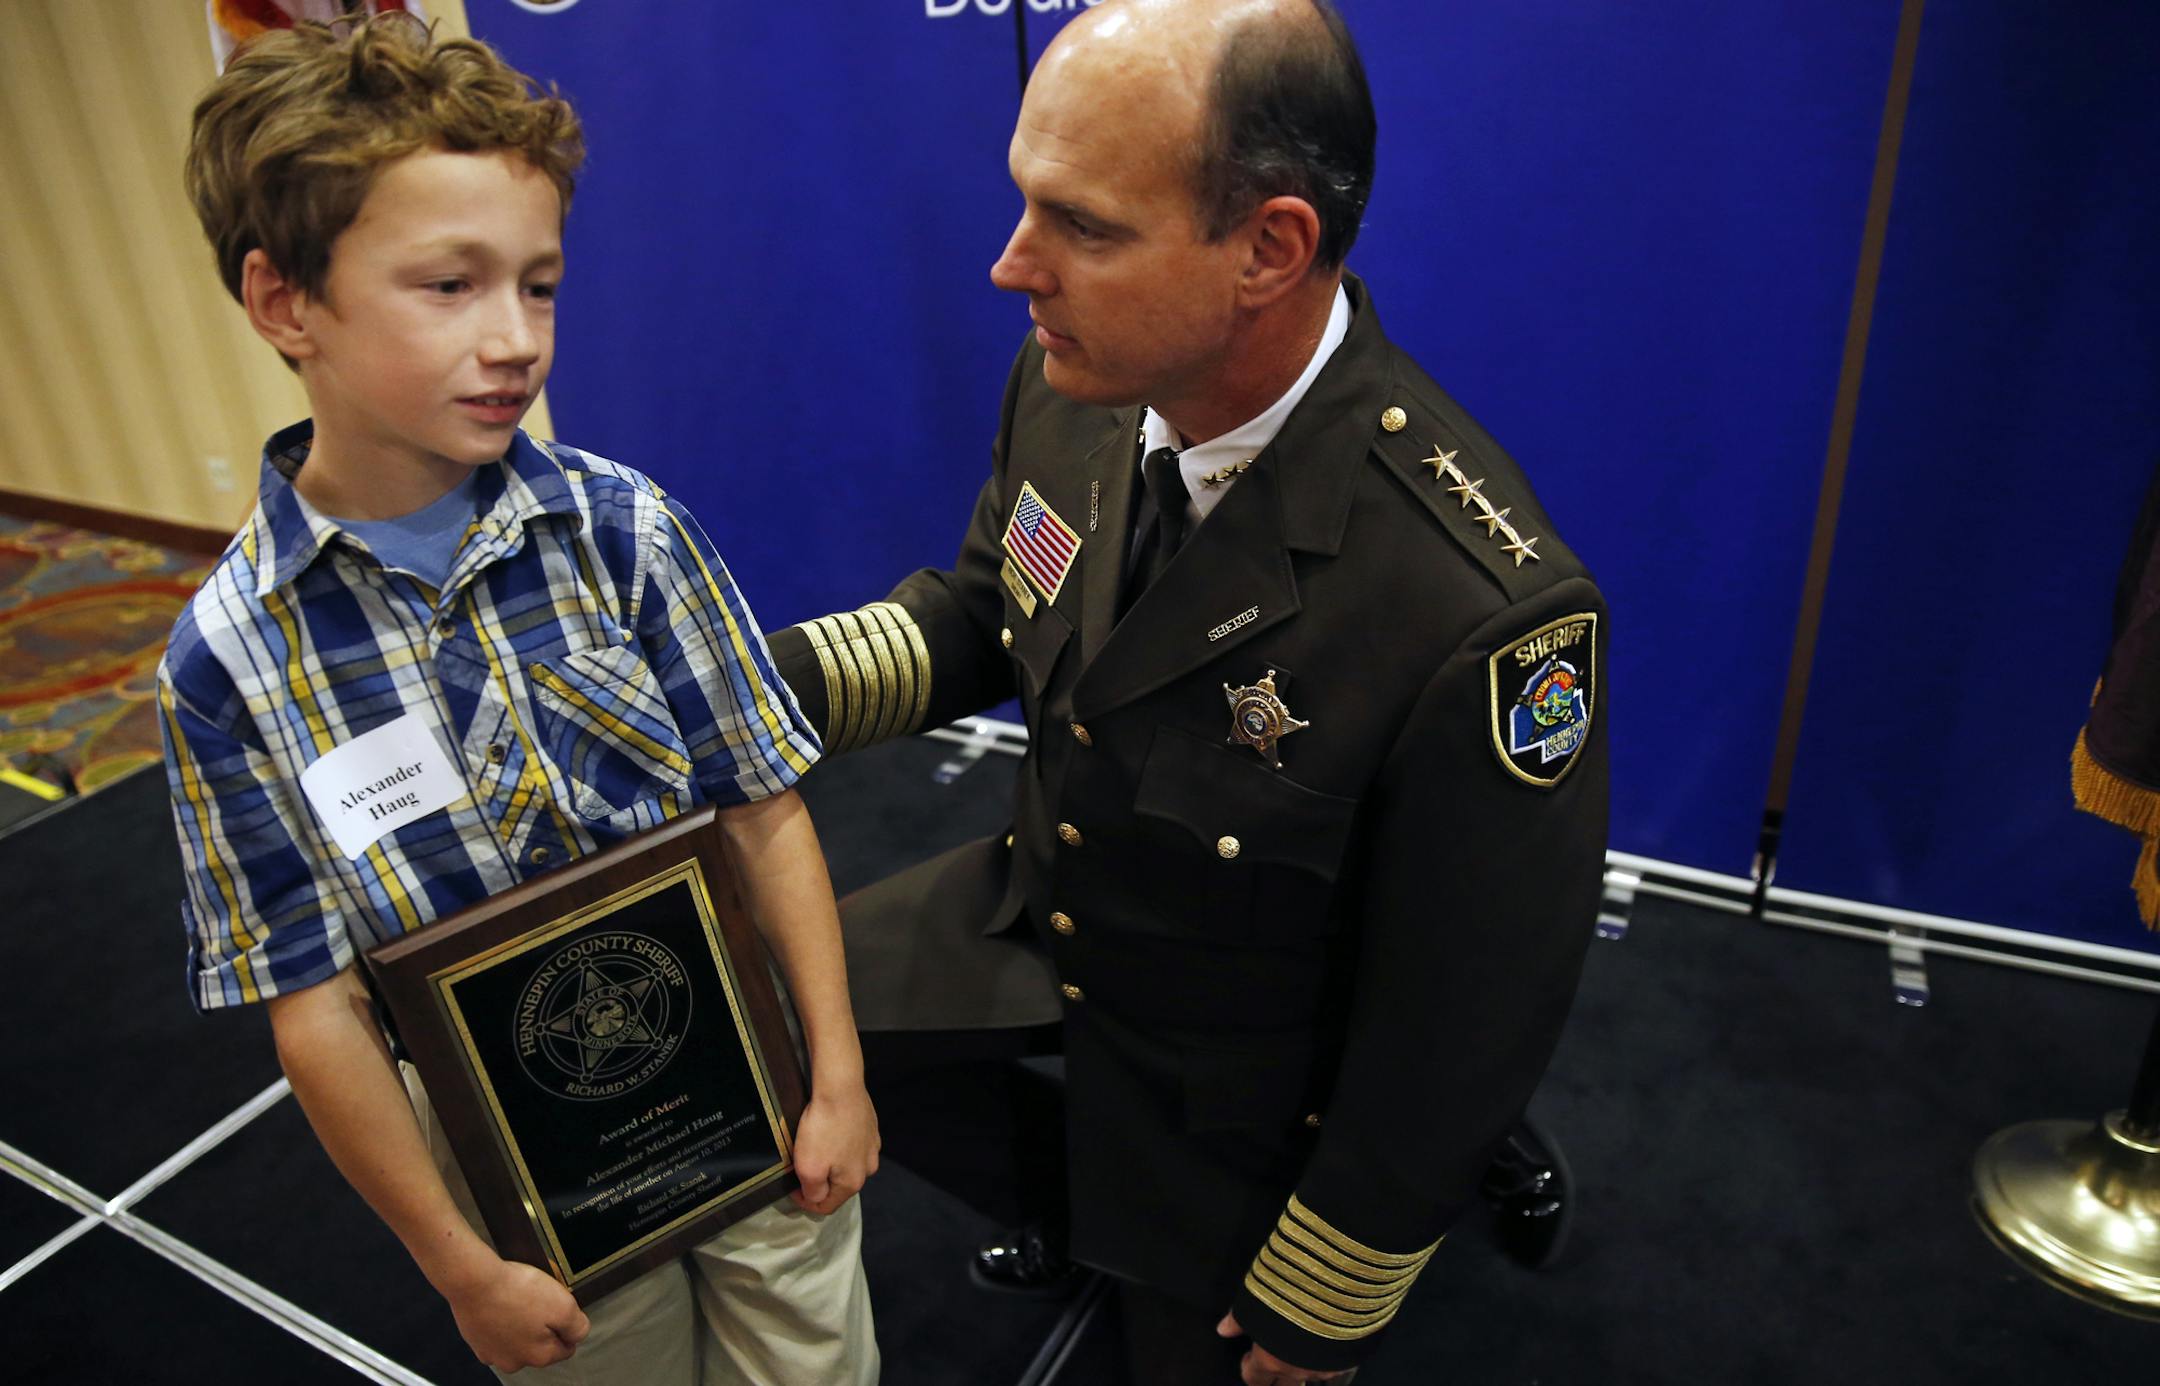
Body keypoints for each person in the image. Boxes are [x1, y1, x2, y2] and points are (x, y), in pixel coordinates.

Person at [764, 1, 1608, 1382]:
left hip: (1258, 1058)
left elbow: (1469, 1009)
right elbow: (987, 610)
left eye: (1082, 226)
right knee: (782, 1023)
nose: (1009, 266)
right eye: (1024, 202)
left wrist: (1333, 1278)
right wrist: (745, 695)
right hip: (1067, 893)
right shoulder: (1081, 381)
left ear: (1269, 247)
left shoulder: (1477, 608)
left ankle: (1277, 1226)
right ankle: (1091, 1215)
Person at [159, 17, 879, 1384]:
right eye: (450, 284)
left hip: (749, 1090)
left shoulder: (627, 532)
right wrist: (460, 1266)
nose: (514, 338)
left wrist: (835, 1075)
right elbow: (312, 1008)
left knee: (814, 1355)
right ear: (283, 302)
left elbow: (764, 811)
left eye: (539, 286)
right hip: (524, 1186)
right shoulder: (228, 665)